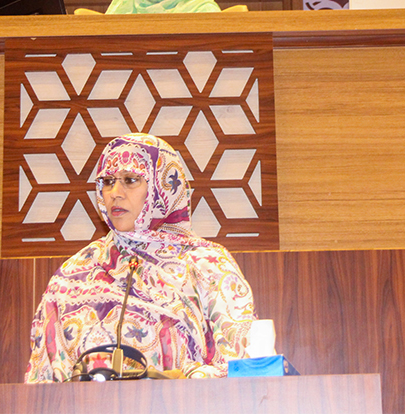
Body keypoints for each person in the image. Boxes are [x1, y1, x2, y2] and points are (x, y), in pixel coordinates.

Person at [25, 134, 254, 382]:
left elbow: (242, 366)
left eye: (130, 180)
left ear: (163, 185)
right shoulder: (73, 274)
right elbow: (41, 379)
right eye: (108, 181)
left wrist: (180, 379)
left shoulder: (207, 265)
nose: (115, 193)